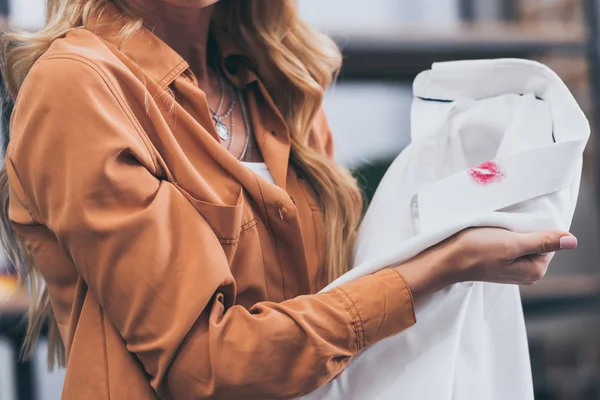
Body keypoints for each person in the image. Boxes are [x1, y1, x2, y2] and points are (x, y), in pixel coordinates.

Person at [0, 0, 578, 399]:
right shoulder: (80, 85)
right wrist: (444, 265)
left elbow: (330, 290)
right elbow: (201, 363)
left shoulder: (274, 82)